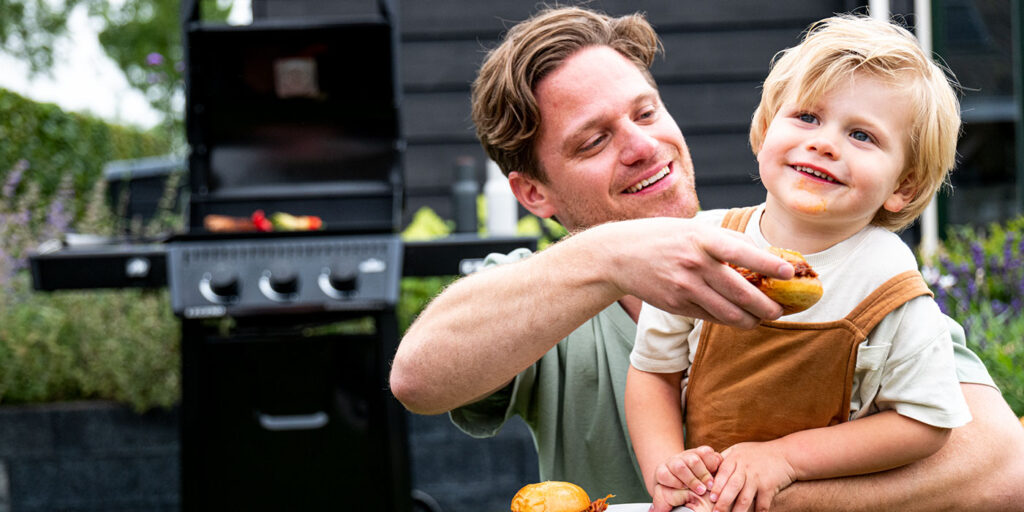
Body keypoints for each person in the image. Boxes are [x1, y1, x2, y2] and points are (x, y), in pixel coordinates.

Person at [388, 6, 1024, 510]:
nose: (643, 145)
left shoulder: (848, 268)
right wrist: (613, 257)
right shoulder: (538, 296)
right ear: (534, 193)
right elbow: (417, 379)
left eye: (646, 112)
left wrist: (750, 493)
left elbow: (1005, 469)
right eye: (595, 141)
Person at [626, 15, 970, 512]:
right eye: (807, 117)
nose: (825, 143)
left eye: (862, 135)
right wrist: (667, 469)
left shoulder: (888, 279)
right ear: (766, 130)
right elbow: (653, 372)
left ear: (903, 186)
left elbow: (925, 421)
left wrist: (786, 459)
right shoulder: (704, 245)